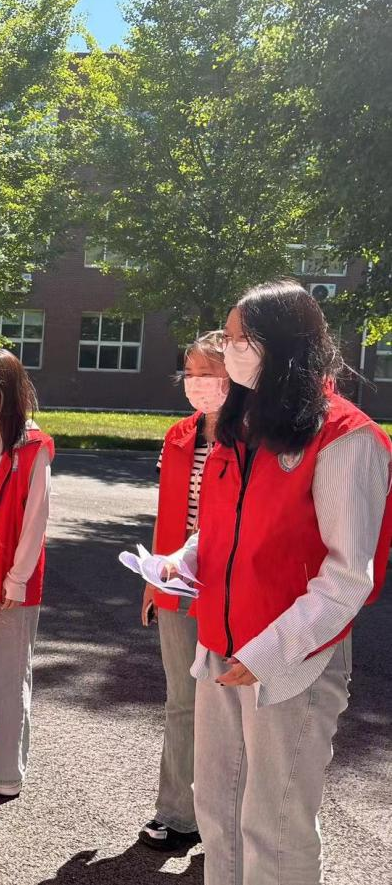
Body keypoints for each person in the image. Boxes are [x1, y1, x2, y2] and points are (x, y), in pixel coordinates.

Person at [164, 280, 392, 885]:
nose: (229, 351)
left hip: (293, 664)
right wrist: (184, 560)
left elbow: (348, 577)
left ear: (284, 343)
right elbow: (222, 530)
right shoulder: (243, 427)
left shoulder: (346, 436)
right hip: (220, 648)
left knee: (276, 828)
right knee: (219, 815)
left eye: (241, 339)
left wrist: (267, 653)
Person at [136, 330, 228, 852]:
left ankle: (226, 818)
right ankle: (176, 813)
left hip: (230, 589)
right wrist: (152, 581)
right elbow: (169, 513)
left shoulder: (254, 436)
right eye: (189, 373)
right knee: (182, 701)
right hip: (176, 584)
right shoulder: (178, 436)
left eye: (207, 373)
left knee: (231, 706)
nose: (196, 383)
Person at [0, 348, 53, 802]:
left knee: (6, 675)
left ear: (11, 390)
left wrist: (17, 579)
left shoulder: (32, 446)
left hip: (10, 579)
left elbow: (36, 518)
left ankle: (4, 774)